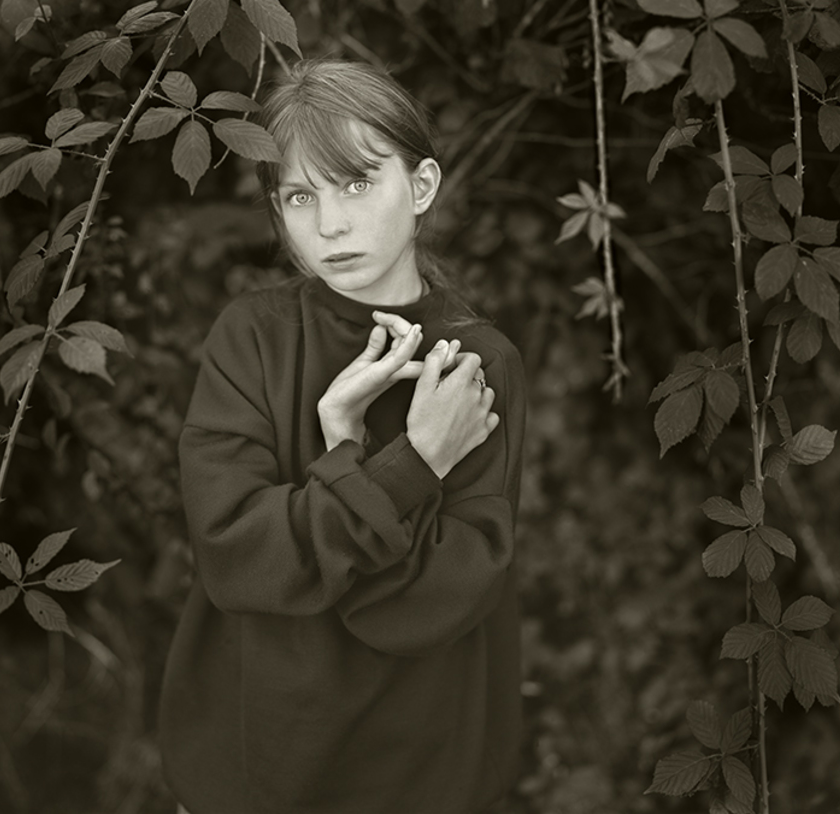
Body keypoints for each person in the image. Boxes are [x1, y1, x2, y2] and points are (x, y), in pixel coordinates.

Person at [158, 58, 527, 814]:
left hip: (421, 777)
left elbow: (423, 605)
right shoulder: (252, 339)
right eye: (300, 196)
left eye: (357, 182)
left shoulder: (476, 368)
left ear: (420, 186)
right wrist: (409, 463)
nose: (330, 225)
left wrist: (332, 491)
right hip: (252, 767)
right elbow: (237, 560)